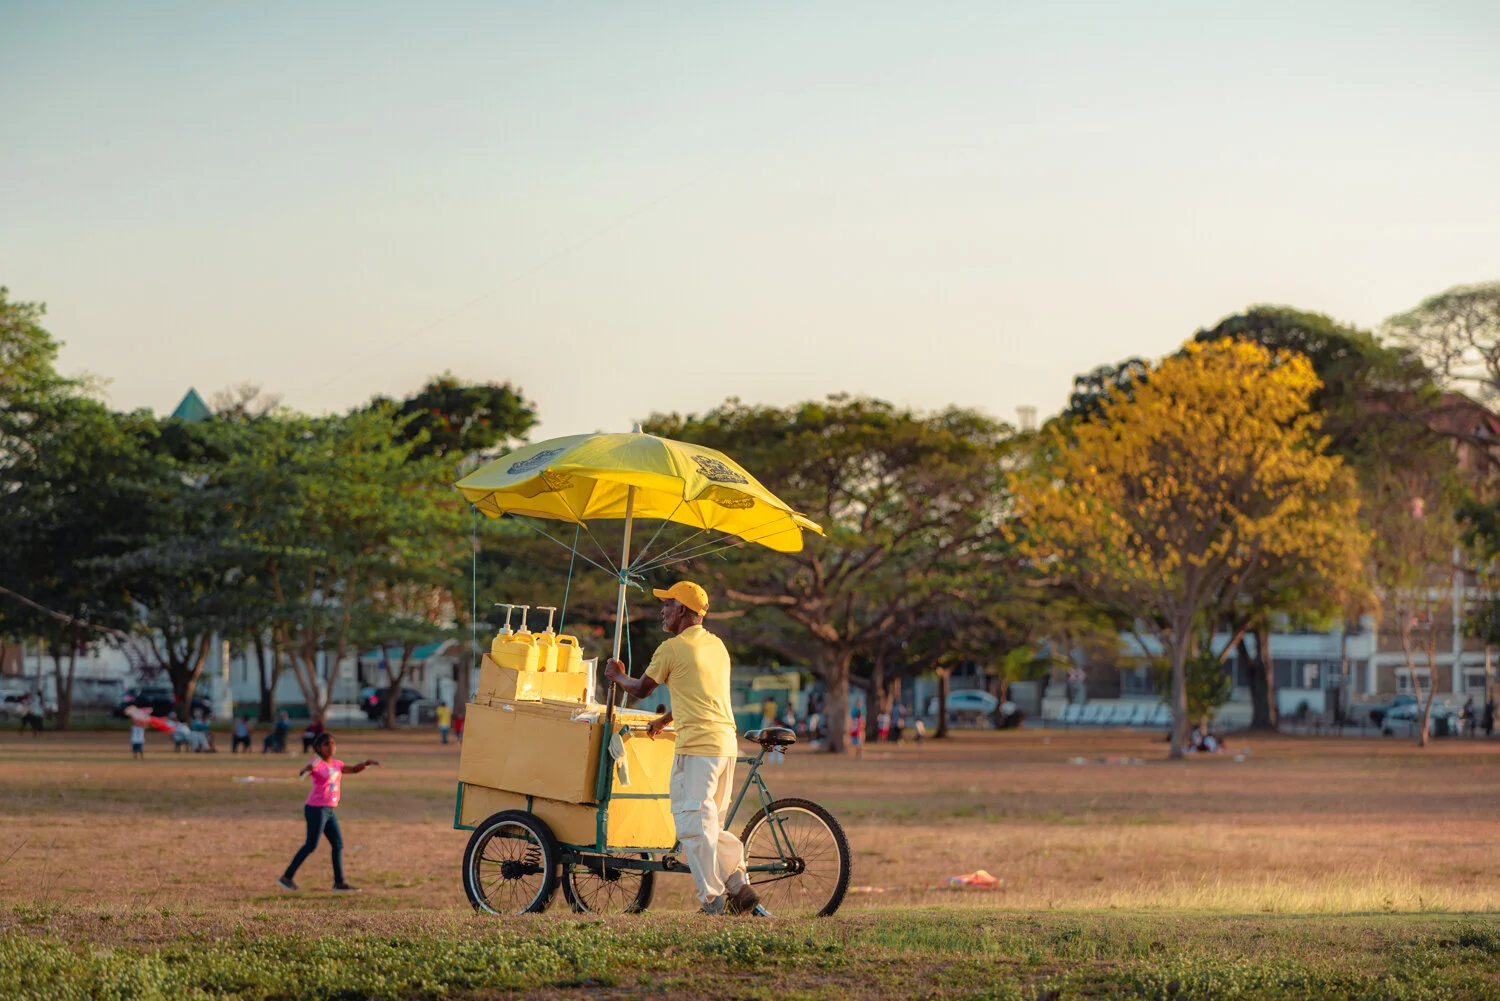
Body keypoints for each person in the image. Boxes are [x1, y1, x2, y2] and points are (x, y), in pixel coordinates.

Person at [603, 581, 768, 917]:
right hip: (724, 746)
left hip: (698, 748)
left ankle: (712, 899)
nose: (662, 610)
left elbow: (642, 689)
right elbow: (698, 693)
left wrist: (616, 675)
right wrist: (665, 720)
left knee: (692, 824)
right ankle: (738, 885)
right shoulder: (717, 646)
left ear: (682, 610)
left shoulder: (672, 648)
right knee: (711, 825)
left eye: (668, 604)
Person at [279, 733, 378, 891]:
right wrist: (306, 770)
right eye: (326, 744)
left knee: (337, 844)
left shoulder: (336, 764)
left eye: (333, 743)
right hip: (316, 809)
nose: (331, 747)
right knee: (311, 845)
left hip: (330, 810)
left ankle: (339, 883)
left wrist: (365, 764)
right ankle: (286, 877)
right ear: (318, 748)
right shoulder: (317, 763)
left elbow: (352, 769)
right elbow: (304, 773)